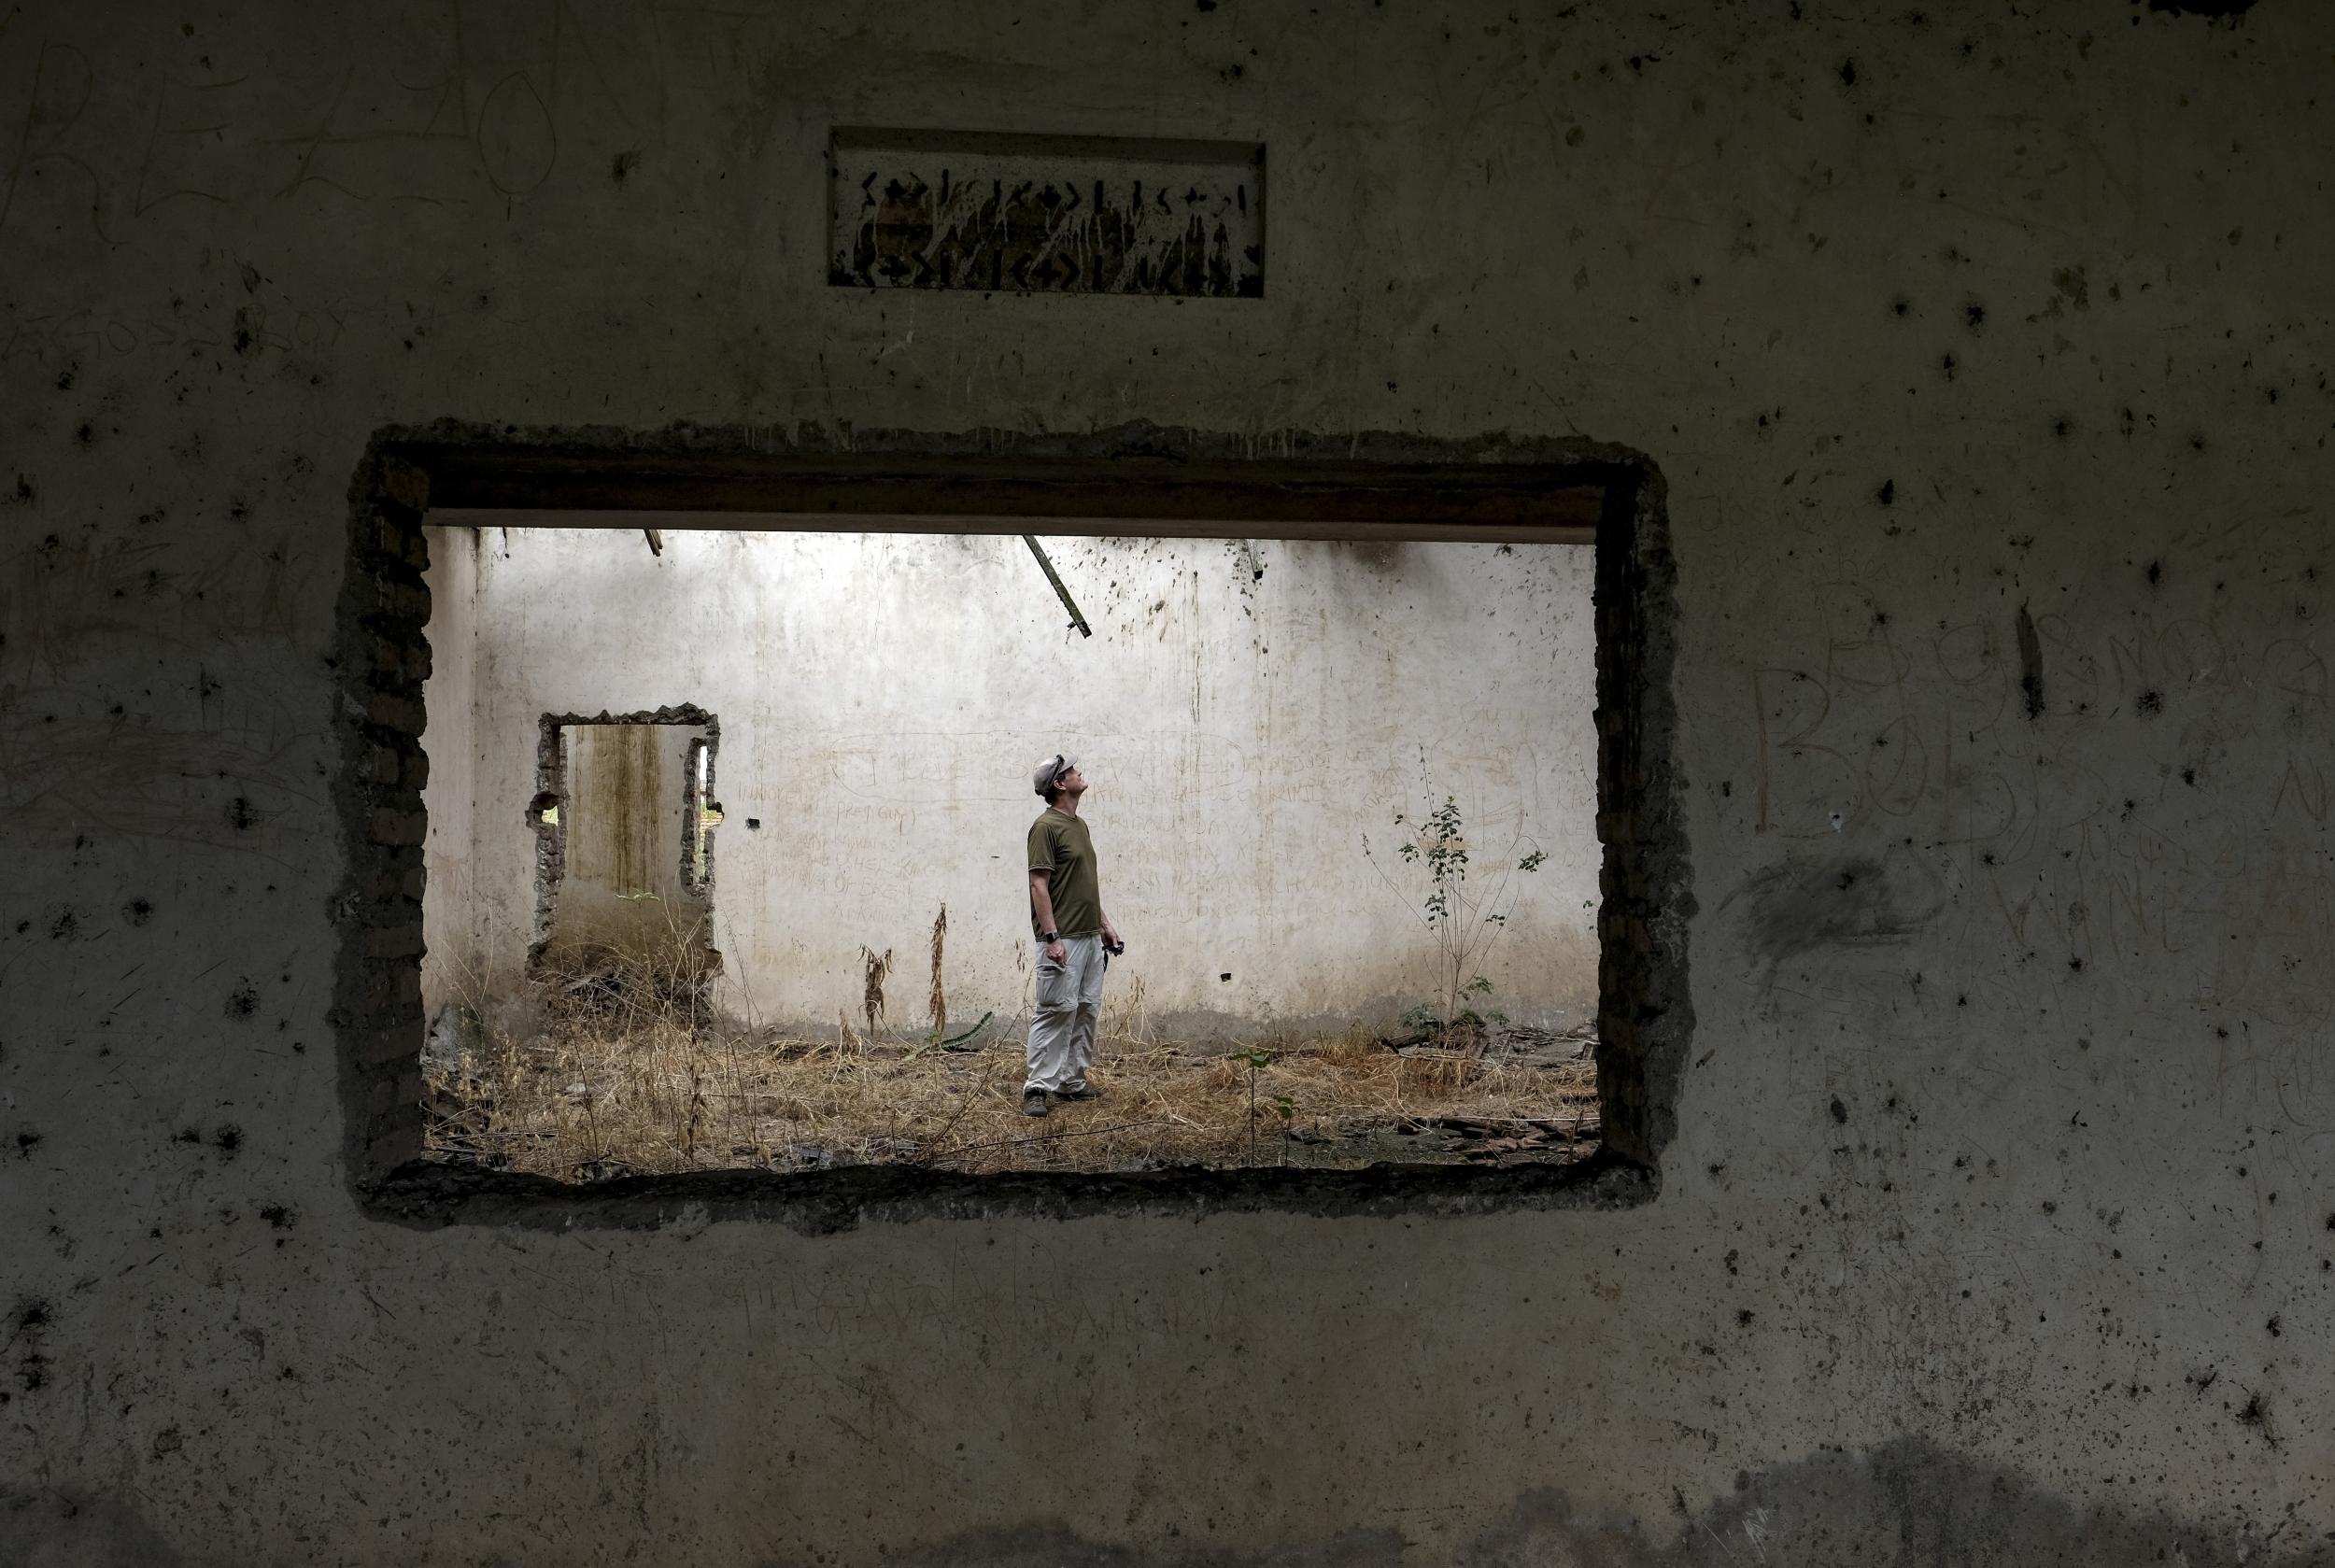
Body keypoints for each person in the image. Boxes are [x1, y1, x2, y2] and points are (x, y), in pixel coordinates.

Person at [1023, 753, 1122, 1117]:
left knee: (1085, 1010)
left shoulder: (1079, 826)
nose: (1081, 772)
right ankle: (1037, 1088)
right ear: (1060, 784)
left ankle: (1071, 1082)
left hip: (1088, 937)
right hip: (1062, 938)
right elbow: (1038, 884)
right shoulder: (1045, 827)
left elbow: (1084, 886)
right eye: (1072, 771)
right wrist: (1052, 938)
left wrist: (1104, 925)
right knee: (1055, 1011)